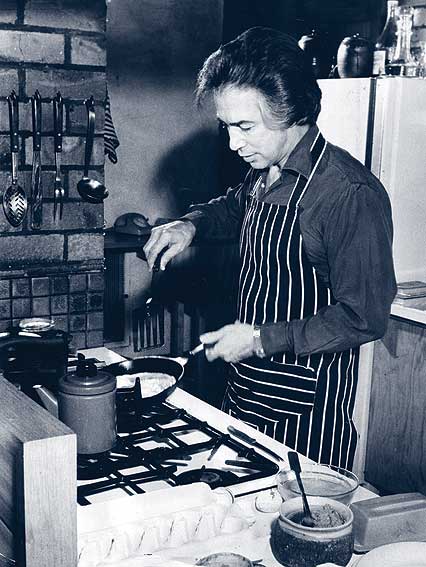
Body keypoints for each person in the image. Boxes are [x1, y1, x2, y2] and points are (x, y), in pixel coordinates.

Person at [143, 27, 396, 470]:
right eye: (226, 126)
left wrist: (260, 339)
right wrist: (190, 225)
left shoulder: (347, 193)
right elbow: (234, 206)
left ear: (290, 110)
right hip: (247, 391)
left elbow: (365, 316)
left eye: (245, 127)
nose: (233, 143)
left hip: (305, 417)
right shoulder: (267, 171)